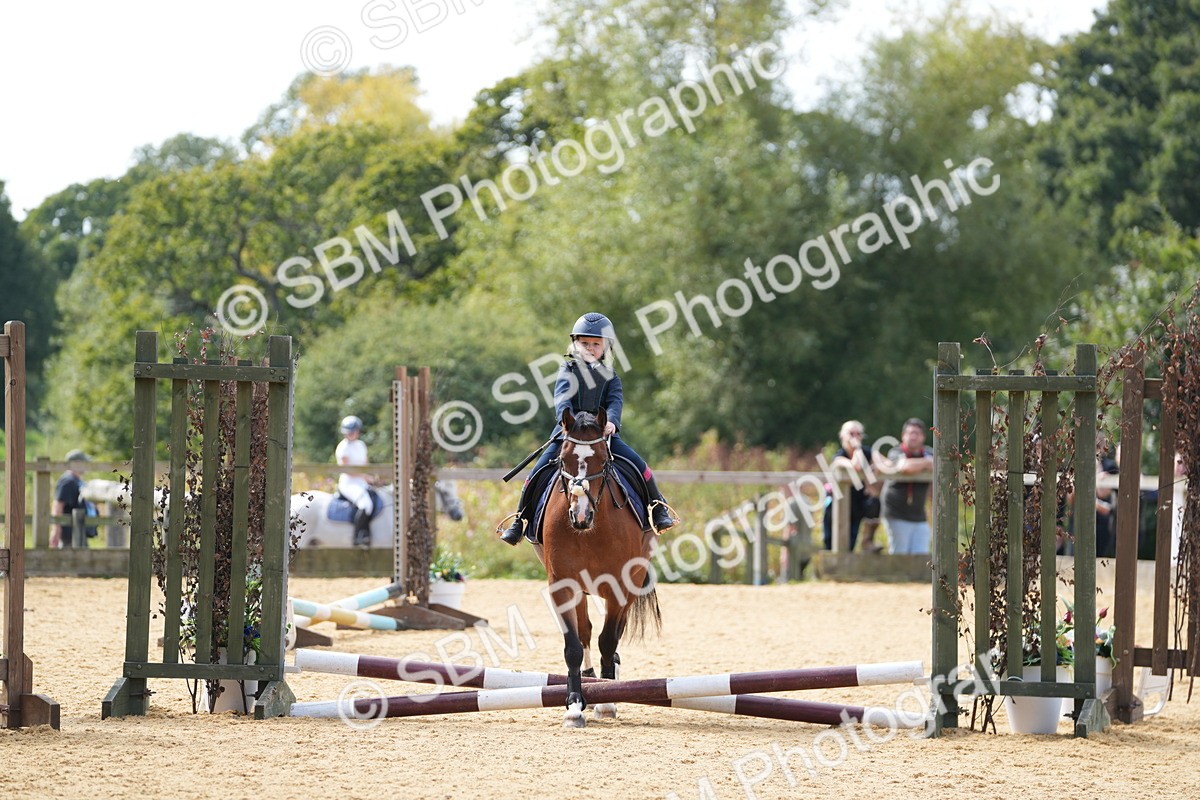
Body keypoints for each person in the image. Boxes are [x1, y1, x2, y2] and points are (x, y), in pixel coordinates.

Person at [499, 312, 676, 545]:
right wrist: (569, 423)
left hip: (601, 435)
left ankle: (657, 507)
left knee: (639, 465)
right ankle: (520, 519)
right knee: (538, 471)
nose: (590, 348)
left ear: (605, 347)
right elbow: (562, 399)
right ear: (575, 344)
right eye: (584, 343)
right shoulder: (567, 370)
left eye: (596, 344)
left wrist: (612, 421)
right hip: (569, 432)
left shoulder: (611, 376)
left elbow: (615, 401)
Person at [821, 420, 882, 552]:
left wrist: (876, 468)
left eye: (858, 434)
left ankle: (867, 541)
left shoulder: (868, 452)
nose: (855, 437)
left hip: (857, 504)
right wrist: (857, 448)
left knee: (851, 542)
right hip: (837, 505)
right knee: (830, 543)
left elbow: (886, 464)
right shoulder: (839, 456)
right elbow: (856, 465)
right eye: (851, 433)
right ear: (842, 436)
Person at [881, 418, 934, 555]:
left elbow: (940, 465)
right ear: (903, 436)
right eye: (910, 433)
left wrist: (922, 463)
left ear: (923, 437)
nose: (913, 436)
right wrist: (926, 463)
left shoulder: (930, 452)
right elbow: (904, 467)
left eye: (917, 433)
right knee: (899, 555)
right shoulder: (896, 452)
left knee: (922, 556)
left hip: (919, 515)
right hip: (896, 512)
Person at [335, 415, 374, 547]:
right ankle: (357, 536)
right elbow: (347, 470)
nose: (352, 434)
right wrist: (365, 476)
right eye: (349, 432)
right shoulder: (343, 448)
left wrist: (371, 478)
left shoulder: (361, 445)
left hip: (362, 481)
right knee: (366, 504)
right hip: (349, 482)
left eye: (354, 431)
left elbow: (365, 464)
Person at [52, 449, 94, 548]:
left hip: (78, 531)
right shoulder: (68, 482)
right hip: (70, 535)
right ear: (76, 463)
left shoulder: (76, 480)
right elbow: (58, 506)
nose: (86, 465)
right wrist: (56, 531)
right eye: (84, 462)